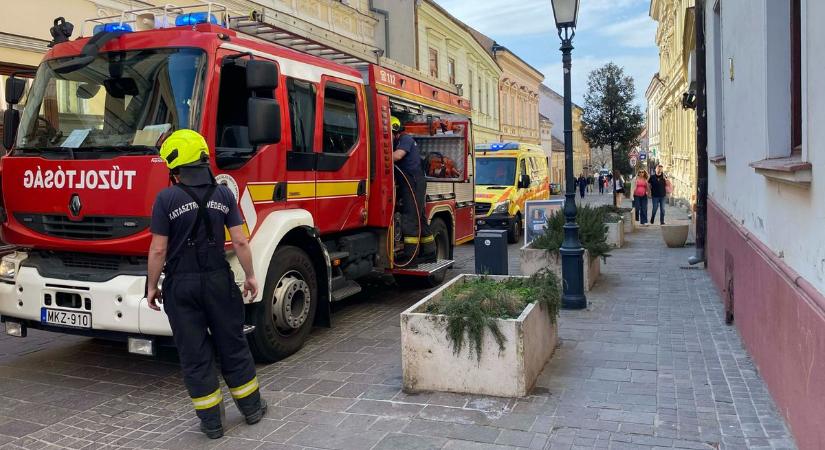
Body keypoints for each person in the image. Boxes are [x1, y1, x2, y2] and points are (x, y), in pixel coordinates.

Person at [147, 129, 266, 439]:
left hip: (181, 286)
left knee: (195, 354)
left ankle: (212, 424)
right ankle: (252, 409)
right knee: (232, 344)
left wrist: (151, 286)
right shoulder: (224, 194)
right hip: (218, 281)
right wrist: (251, 275)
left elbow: (158, 249)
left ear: (175, 166)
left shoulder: (165, 198)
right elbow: (239, 241)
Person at [392, 116, 436, 264]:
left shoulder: (405, 140)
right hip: (412, 181)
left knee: (410, 217)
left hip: (413, 181)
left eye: (390, 133)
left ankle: (411, 257)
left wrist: (379, 156)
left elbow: (398, 156)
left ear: (396, 130)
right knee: (419, 217)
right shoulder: (400, 140)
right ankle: (430, 253)